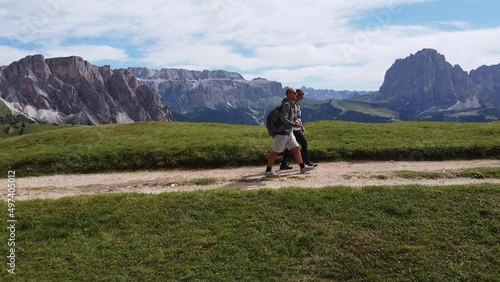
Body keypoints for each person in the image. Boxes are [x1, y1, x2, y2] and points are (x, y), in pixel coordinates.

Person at [265, 88, 315, 177]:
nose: (296, 94)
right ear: (289, 94)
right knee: (275, 152)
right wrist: (295, 125)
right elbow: (283, 119)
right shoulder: (286, 105)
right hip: (282, 133)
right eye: (295, 93)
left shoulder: (291, 104)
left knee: (296, 148)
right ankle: (268, 170)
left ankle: (302, 167)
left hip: (288, 132)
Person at [280, 88, 317, 170]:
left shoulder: (297, 104)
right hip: (292, 128)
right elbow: (290, 117)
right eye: (301, 95)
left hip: (295, 127)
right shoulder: (291, 104)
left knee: (291, 146)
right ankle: (305, 162)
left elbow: (297, 117)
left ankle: (283, 164)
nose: (302, 97)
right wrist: (295, 124)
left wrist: (301, 125)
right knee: (303, 143)